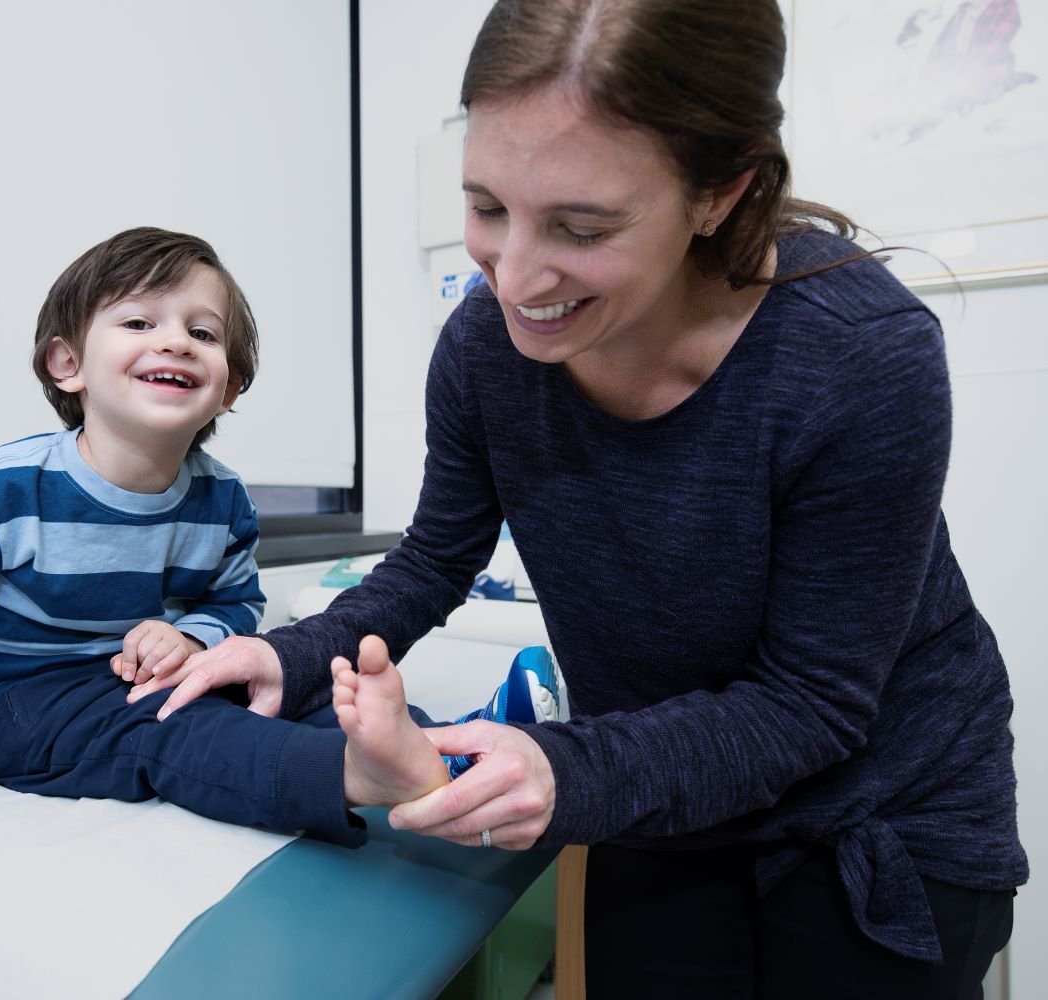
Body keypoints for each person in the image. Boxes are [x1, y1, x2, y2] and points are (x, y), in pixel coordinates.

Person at [127, 3, 1028, 996]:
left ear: (717, 193)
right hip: (664, 798)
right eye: (485, 207)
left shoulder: (858, 357)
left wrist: (570, 770)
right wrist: (289, 652)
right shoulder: (483, 353)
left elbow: (811, 700)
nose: (514, 277)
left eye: (579, 227)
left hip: (876, 815)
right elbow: (435, 560)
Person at [0, 226, 526, 871]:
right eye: (139, 323)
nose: (174, 342)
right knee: (178, 726)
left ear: (228, 388)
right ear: (68, 364)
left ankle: (454, 748)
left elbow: (234, 601)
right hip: (23, 705)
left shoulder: (222, 500)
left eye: (201, 333)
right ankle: (357, 776)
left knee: (294, 690)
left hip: (152, 677)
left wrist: (197, 641)